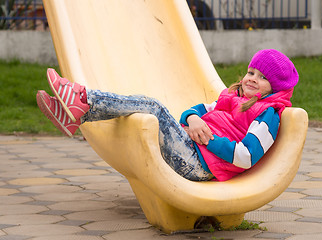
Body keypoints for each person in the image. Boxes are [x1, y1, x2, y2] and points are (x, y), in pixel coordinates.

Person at [36, 49, 298, 182]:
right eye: (251, 72)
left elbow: (247, 156)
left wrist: (208, 140)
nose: (252, 79)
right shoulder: (231, 97)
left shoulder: (267, 114)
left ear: (275, 87)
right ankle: (75, 115)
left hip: (201, 165)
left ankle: (83, 102)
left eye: (262, 78)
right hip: (192, 149)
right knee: (150, 110)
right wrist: (193, 120)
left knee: (154, 107)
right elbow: (194, 112)